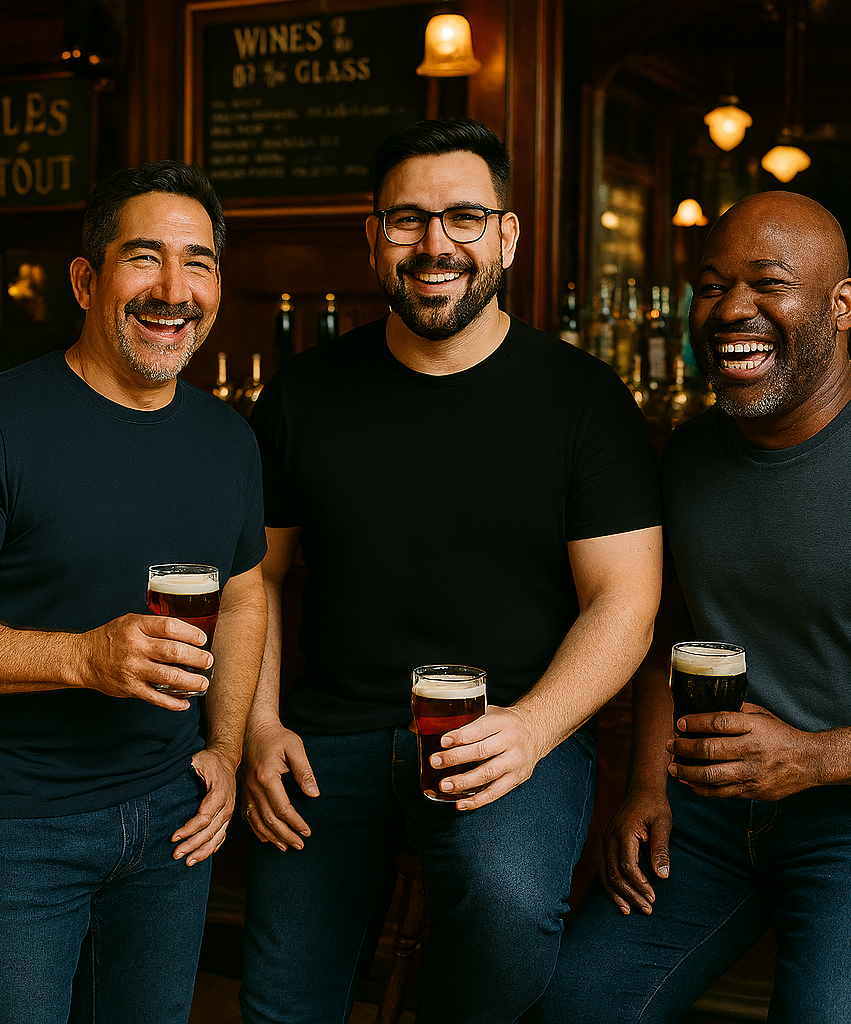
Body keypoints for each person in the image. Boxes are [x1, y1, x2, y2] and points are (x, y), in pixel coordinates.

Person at [541, 191, 851, 1023]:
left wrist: (813, 760)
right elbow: (675, 631)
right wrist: (644, 786)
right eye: (711, 285)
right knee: (571, 1008)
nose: (732, 309)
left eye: (768, 284)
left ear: (843, 306)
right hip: (716, 812)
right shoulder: (691, 453)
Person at [237, 118, 664, 1024]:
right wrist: (258, 724)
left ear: (508, 236)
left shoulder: (586, 401)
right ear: (373, 236)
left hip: (510, 728)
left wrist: (533, 730)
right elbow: (257, 580)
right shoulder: (305, 392)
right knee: (282, 1002)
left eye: (465, 217)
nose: (435, 245)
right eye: (407, 220)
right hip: (329, 739)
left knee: (509, 914)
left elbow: (626, 601)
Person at [0, 160, 266, 1024]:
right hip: (8, 823)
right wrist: (86, 657)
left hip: (172, 811)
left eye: (197, 263)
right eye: (144, 258)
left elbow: (243, 598)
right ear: (87, 280)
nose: (173, 288)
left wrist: (227, 751)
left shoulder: (228, 442)